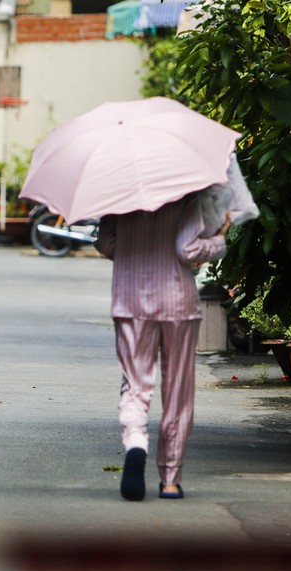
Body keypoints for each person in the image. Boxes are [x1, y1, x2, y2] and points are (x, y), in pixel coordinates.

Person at [95, 194, 230, 501]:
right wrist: (219, 239)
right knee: (178, 390)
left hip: (130, 299)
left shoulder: (117, 192)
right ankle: (170, 479)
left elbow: (106, 246)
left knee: (135, 384)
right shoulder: (188, 193)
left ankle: (135, 442)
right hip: (177, 302)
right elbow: (189, 249)